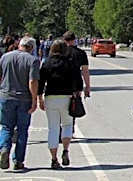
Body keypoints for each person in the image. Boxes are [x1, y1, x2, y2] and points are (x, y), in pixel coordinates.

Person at [38, 39, 84, 168]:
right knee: (67, 124)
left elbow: (41, 82)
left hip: (51, 96)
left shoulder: (47, 63)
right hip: (67, 97)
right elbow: (78, 81)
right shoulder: (70, 63)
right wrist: (77, 92)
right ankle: (65, 150)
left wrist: (39, 98)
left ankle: (53, 159)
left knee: (53, 128)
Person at [0, 37, 40, 171]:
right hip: (24, 99)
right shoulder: (32, 60)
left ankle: (4, 148)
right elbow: (33, 82)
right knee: (22, 130)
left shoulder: (5, 57)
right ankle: (18, 160)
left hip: (6, 96)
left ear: (20, 45)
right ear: (32, 48)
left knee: (6, 127)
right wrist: (35, 99)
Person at [63, 31, 91, 97]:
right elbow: (85, 71)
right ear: (74, 40)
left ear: (64, 40)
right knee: (76, 102)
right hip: (77, 82)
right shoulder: (81, 53)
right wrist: (87, 86)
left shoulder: (61, 52)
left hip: (63, 82)